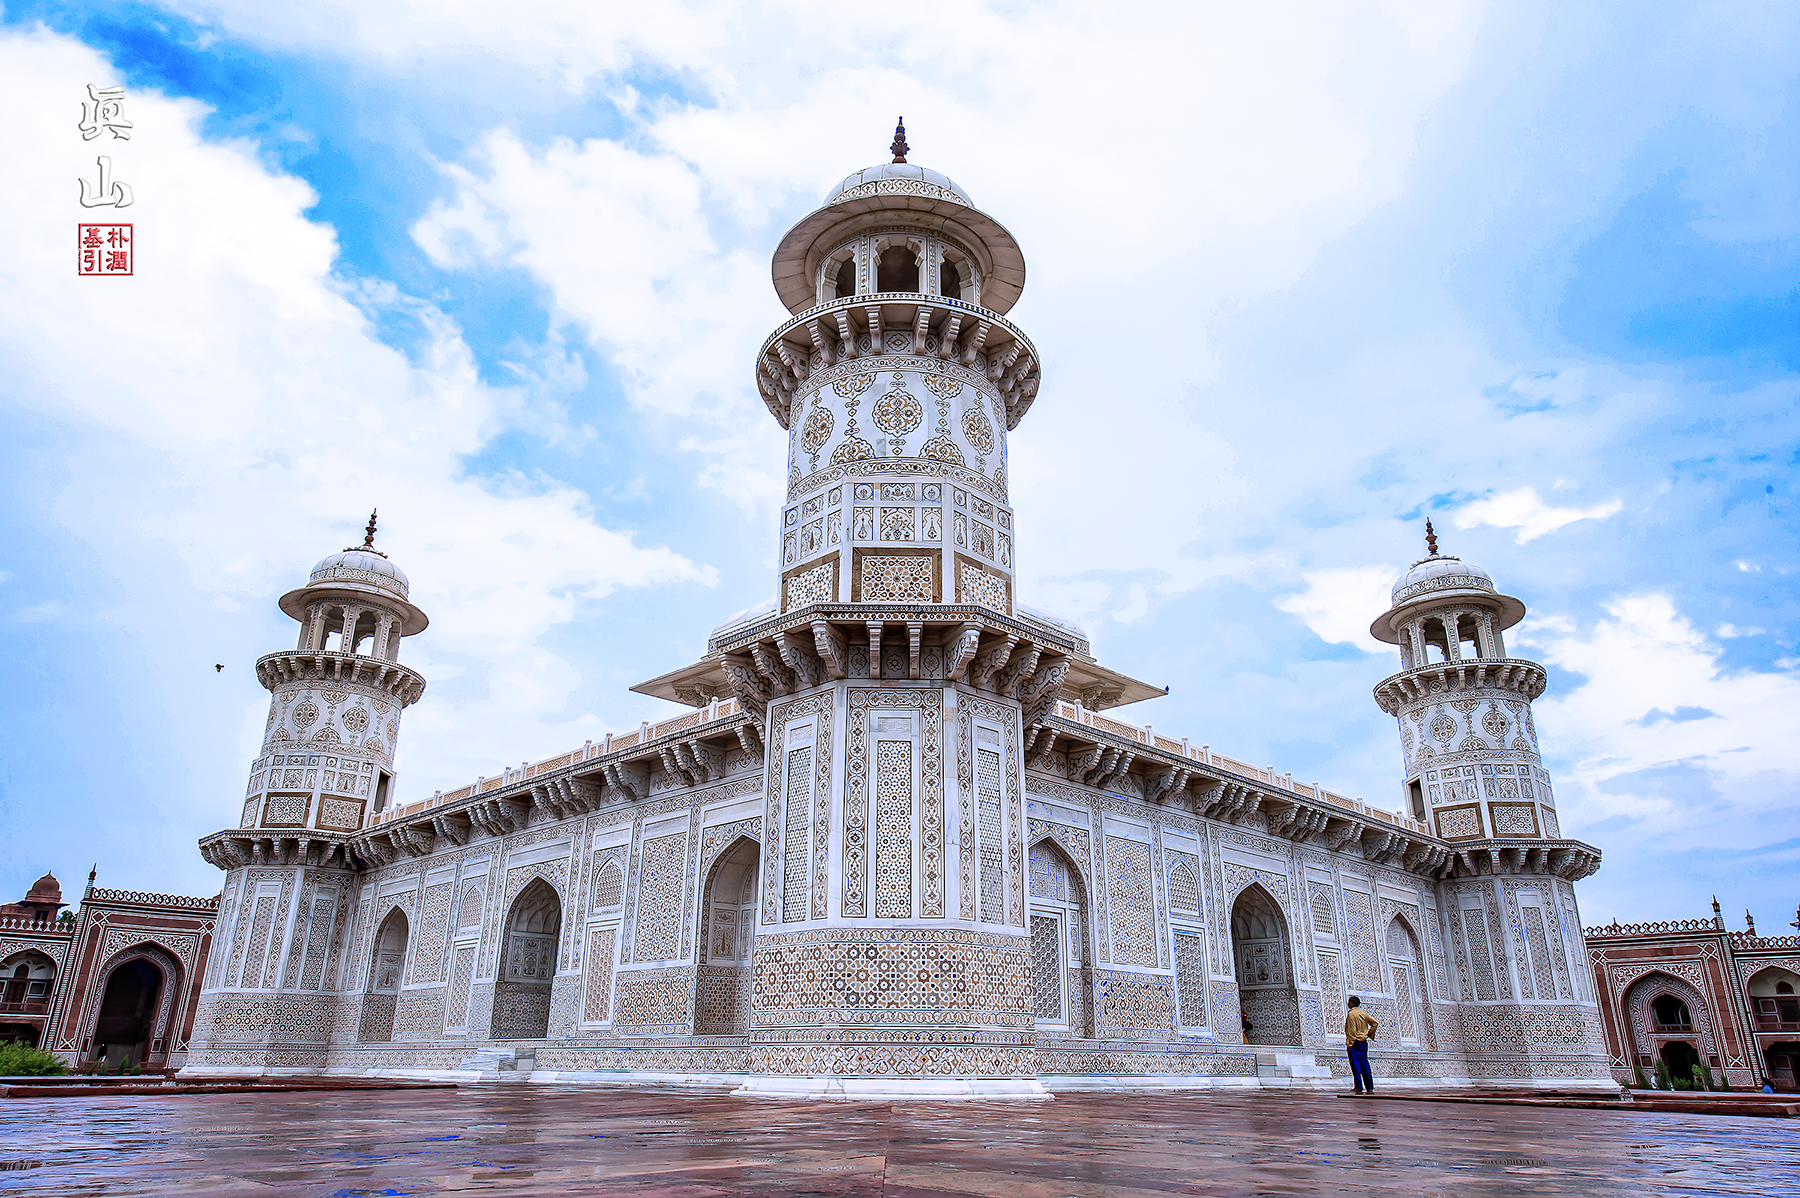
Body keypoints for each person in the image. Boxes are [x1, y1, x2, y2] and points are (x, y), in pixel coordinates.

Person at [1345, 996, 1378, 1094]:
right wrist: (1368, 1034)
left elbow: (1351, 1030)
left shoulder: (1351, 1014)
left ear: (1353, 1003)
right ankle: (1369, 1087)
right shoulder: (1363, 1013)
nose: (1348, 1003)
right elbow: (1374, 1023)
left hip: (1355, 1042)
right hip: (1363, 1041)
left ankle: (1358, 1086)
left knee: (1356, 1064)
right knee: (1364, 1063)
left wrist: (1351, 1042)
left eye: (1349, 1002)